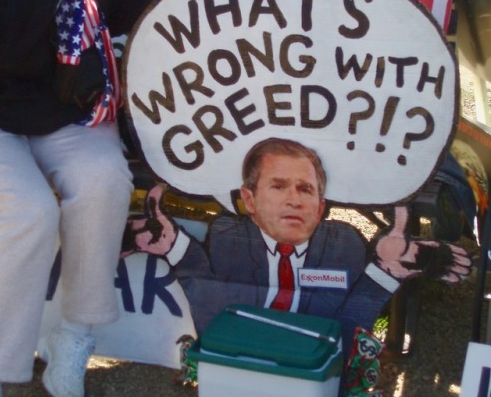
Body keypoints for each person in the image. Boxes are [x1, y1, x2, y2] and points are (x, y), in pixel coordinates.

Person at [0, 0, 191, 397]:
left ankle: (74, 334)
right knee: (28, 212)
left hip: (64, 110)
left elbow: (118, 4)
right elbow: (3, 43)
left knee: (105, 182)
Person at [126, 138, 471, 360]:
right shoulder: (228, 241)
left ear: (321, 207)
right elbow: (210, 307)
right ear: (250, 200)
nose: (294, 199)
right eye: (278, 186)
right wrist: (176, 249)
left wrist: (385, 273)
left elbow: (344, 335)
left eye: (306, 190)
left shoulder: (346, 248)